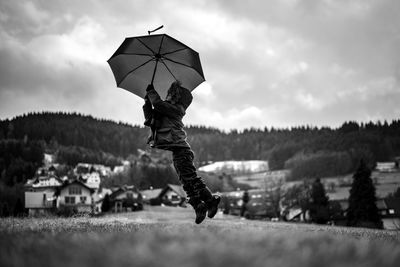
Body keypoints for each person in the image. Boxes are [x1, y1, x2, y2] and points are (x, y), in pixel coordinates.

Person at [143, 81, 220, 224]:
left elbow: (159, 104)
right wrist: (147, 102)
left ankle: (210, 200)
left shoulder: (176, 109)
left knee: (191, 179)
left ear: (177, 98)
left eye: (171, 94)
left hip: (182, 150)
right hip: (177, 151)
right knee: (186, 182)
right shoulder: (166, 110)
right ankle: (199, 206)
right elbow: (149, 119)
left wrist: (152, 92)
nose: (168, 96)